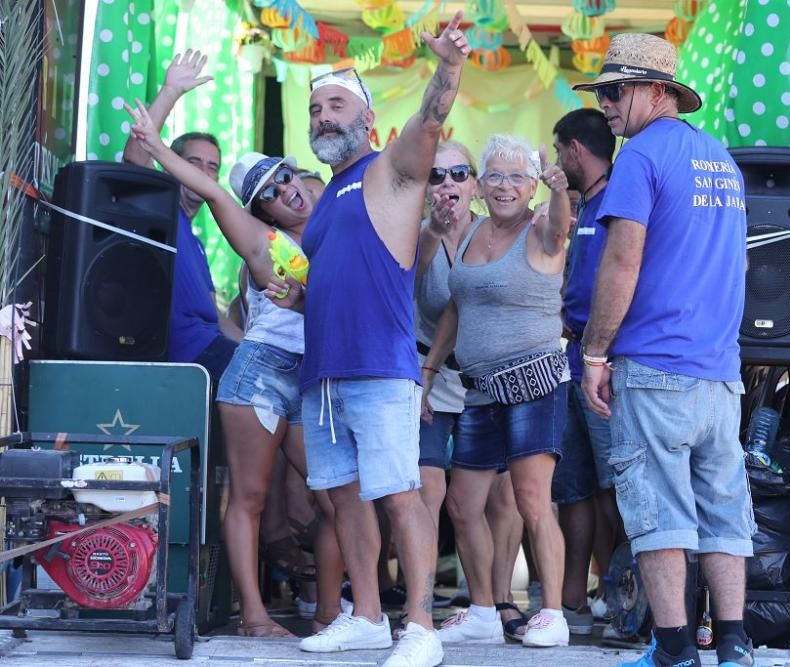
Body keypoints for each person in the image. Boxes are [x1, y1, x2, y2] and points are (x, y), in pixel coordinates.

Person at [266, 13, 470, 667]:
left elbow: (432, 118)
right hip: (324, 371)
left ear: (371, 121)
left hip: (380, 365)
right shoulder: (324, 198)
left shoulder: (391, 171)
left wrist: (449, 65)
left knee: (398, 494)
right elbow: (341, 275)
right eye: (316, 107)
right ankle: (368, 616)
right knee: (342, 495)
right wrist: (301, 296)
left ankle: (419, 625)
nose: (323, 116)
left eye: (337, 105)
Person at [127, 104, 347, 638]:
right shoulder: (261, 242)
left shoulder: (333, 228)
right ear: (262, 209)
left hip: (311, 377)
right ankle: (253, 615)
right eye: (270, 191)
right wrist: (156, 148)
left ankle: (330, 616)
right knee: (249, 496)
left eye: (287, 176)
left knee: (337, 498)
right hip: (260, 374)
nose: (286, 190)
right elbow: (220, 196)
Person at [574, 34, 756, 667]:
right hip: (719, 374)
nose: (605, 104)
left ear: (656, 92)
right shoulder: (721, 161)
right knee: (724, 512)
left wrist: (595, 352)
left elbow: (622, 262)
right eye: (601, 92)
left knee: (659, 516)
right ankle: (733, 646)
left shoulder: (640, 157)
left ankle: (674, 651)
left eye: (615, 91)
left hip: (655, 368)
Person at [422, 134, 572, 648]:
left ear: (532, 185)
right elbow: (455, 308)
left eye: (517, 177)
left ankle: (552, 612)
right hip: (478, 390)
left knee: (532, 501)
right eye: (495, 176)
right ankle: (485, 607)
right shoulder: (472, 232)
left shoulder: (541, 226)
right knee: (463, 506)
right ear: (481, 186)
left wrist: (560, 191)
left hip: (534, 383)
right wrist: (428, 372)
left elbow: (561, 226)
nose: (505, 185)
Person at [416, 140, 527, 639]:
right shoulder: (414, 235)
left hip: (490, 377)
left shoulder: (497, 233)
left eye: (459, 174)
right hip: (429, 373)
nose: (448, 185)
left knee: (505, 501)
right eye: (436, 176)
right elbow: (401, 287)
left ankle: (500, 602)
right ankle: (423, 606)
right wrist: (430, 236)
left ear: (475, 185)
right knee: (431, 494)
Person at [121, 49, 241, 380]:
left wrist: (255, 349)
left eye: (212, 166)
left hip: (212, 345)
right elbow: (135, 159)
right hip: (186, 357)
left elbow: (216, 318)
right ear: (170, 164)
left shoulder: (197, 243)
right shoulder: (158, 213)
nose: (204, 172)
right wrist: (170, 91)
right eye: (194, 163)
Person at [548, 108, 622, 638]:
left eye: (558, 151)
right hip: (571, 357)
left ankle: (618, 591)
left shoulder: (618, 201)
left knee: (611, 486)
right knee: (571, 485)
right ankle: (571, 594)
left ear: (575, 150)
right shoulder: (586, 205)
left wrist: (601, 355)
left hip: (603, 363)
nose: (556, 161)